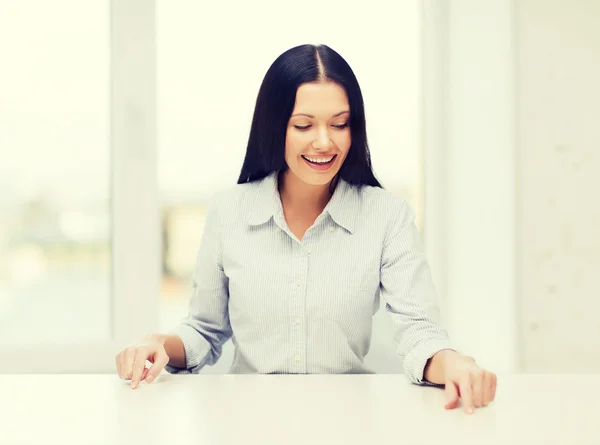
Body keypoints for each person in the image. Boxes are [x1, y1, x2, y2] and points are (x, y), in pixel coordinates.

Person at [115, 43, 496, 413]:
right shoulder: (228, 211)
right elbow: (205, 329)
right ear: (274, 126)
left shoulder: (387, 216)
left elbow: (420, 332)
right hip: (246, 421)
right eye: (304, 125)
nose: (324, 141)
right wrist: (157, 343)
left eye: (340, 124)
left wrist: (455, 365)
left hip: (348, 421)